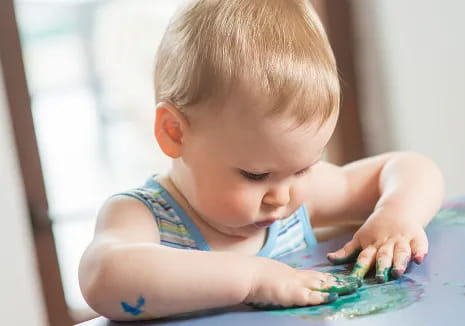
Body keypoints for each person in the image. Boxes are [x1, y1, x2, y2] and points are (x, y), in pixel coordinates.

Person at [79, 0, 444, 321]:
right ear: (175, 133)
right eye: (256, 175)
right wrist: (253, 279)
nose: (282, 197)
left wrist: (397, 216)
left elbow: (410, 168)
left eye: (303, 168)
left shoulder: (297, 199)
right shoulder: (146, 217)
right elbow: (102, 276)